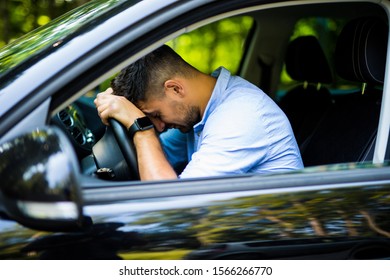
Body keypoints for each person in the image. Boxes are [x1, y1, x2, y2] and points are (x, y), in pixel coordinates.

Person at [94, 44, 303, 181]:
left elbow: (172, 208)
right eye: (151, 119)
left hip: (272, 243)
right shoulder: (203, 110)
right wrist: (118, 109)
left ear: (175, 89)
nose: (159, 126)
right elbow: (155, 155)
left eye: (156, 115)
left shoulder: (241, 116)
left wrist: (142, 129)